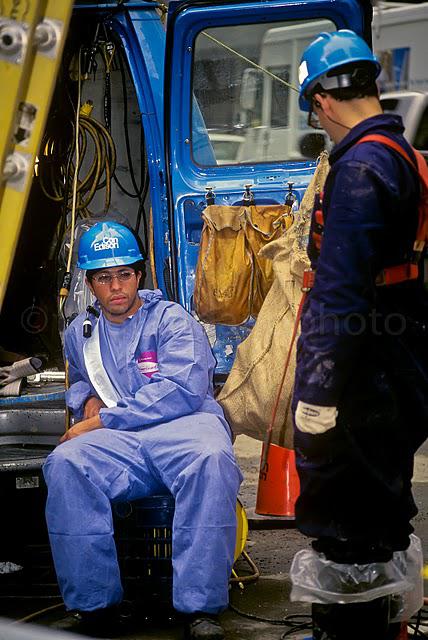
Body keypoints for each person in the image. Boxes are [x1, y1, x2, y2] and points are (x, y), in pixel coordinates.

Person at [43, 221, 242, 639]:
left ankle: (199, 608)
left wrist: (101, 420)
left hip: (184, 428)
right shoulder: (80, 333)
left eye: (124, 274)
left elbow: (181, 389)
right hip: (123, 443)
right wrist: (85, 402)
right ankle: (95, 606)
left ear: (139, 274)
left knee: (211, 458)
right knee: (66, 462)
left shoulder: (172, 319)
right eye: (103, 277)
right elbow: (79, 379)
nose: (115, 286)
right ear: (90, 282)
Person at [292, 30, 428, 639]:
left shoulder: (359, 169)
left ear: (322, 101)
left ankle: (353, 631)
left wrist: (317, 393)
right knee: (384, 508)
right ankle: (386, 626)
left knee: (347, 519)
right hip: (400, 362)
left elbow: (340, 291)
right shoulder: (407, 155)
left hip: (362, 376)